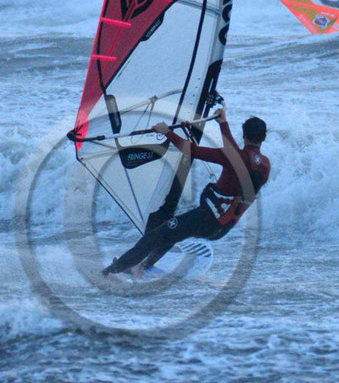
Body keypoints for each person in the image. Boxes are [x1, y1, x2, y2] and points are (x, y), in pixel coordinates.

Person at [102, 106, 270, 278]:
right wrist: (223, 124)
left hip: (206, 219)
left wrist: (167, 132)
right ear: (264, 137)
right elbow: (238, 157)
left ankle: (110, 271)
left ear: (243, 135)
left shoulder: (233, 157)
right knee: (173, 232)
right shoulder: (265, 166)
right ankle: (142, 267)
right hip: (223, 227)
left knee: (154, 236)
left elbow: (191, 150)